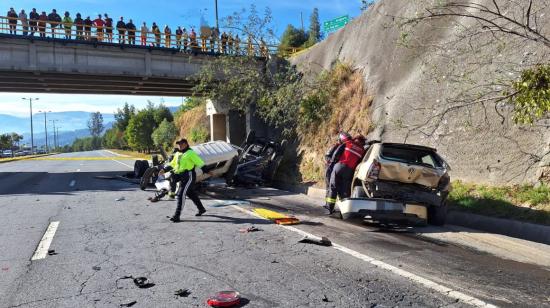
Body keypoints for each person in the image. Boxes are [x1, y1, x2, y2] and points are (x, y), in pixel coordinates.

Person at [165, 139, 207, 222]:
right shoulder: (178, 153)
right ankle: (201, 209)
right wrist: (164, 169)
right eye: (178, 144)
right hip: (181, 176)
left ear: (186, 144)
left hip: (189, 176)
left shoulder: (190, 153)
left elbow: (200, 163)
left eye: (181, 144)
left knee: (181, 194)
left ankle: (177, 215)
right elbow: (173, 164)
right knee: (190, 193)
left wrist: (208, 171)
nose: (179, 146)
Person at [325, 133, 366, 214]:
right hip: (349, 170)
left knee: (333, 187)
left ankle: (329, 208)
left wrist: (333, 163)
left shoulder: (348, 143)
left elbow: (337, 152)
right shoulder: (362, 150)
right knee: (344, 190)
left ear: (355, 139)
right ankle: (344, 210)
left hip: (339, 166)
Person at [324, 132, 348, 207]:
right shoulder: (336, 146)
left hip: (337, 169)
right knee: (329, 187)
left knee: (338, 188)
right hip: (330, 169)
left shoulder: (345, 147)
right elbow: (327, 156)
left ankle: (335, 206)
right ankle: (328, 205)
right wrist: (331, 162)